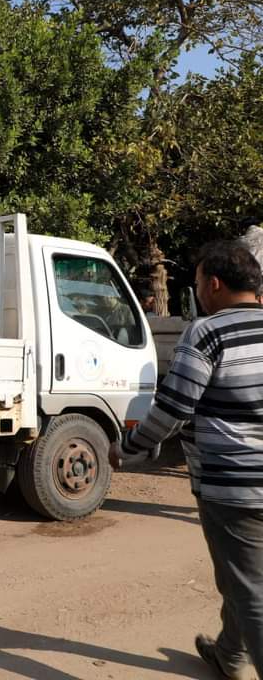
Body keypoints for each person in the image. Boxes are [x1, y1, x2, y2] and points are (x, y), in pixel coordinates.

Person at [111, 240, 263, 680]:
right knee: (245, 577)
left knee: (249, 587)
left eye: (195, 282)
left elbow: (173, 411)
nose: (195, 291)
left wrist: (125, 450)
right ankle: (231, 655)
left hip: (235, 488)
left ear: (213, 284)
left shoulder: (208, 331)